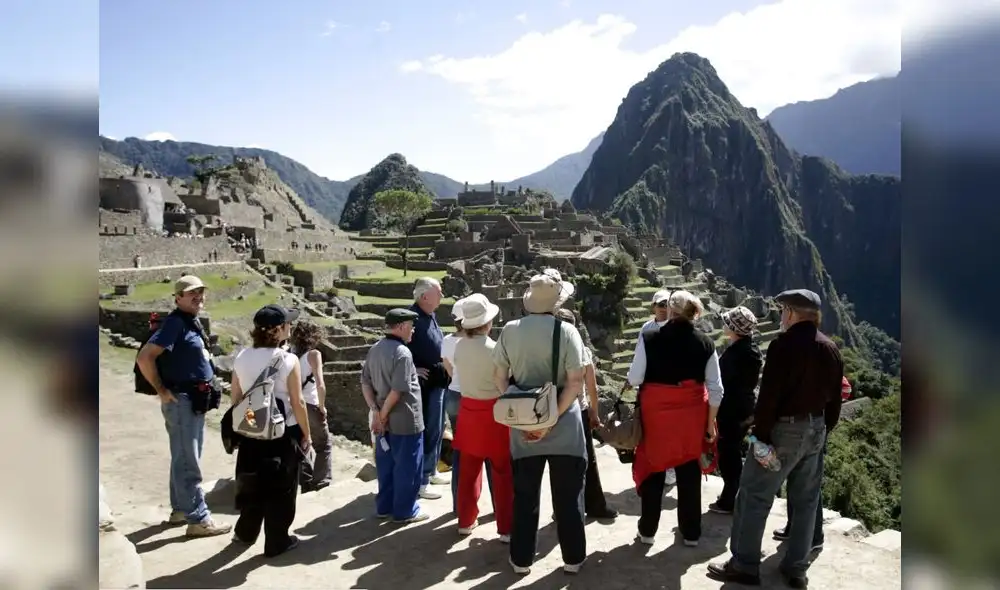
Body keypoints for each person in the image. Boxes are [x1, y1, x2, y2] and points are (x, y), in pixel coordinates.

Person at [708, 289, 844, 589]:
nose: (781, 315)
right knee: (806, 501)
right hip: (816, 428)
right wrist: (823, 430)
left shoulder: (783, 345)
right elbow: (836, 397)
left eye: (783, 310)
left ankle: (744, 565)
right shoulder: (830, 347)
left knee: (754, 495)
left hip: (784, 430)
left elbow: (769, 397)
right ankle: (796, 569)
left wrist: (760, 437)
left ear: (792, 313)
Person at [493, 273, 588, 575]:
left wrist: (519, 410)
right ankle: (573, 559)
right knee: (568, 497)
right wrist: (551, 418)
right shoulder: (567, 331)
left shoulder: (510, 330)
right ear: (556, 303)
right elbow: (575, 382)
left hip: (523, 426)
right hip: (565, 426)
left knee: (525, 497)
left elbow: (499, 377)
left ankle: (521, 560)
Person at [136, 275, 231, 537]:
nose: (198, 297)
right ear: (178, 298)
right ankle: (199, 519)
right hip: (182, 401)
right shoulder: (175, 323)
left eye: (201, 292)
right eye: (191, 293)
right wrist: (161, 390)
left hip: (193, 401)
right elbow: (145, 358)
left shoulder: (190, 322)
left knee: (184, 456)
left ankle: (180, 509)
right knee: (189, 461)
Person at [631, 290, 724, 547]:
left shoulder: (649, 338)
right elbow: (716, 389)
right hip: (691, 418)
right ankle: (691, 533)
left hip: (656, 416)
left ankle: (647, 531)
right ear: (695, 314)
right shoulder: (705, 343)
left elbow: (635, 378)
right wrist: (710, 424)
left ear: (671, 311)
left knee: (655, 467)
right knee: (688, 469)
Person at [230, 304, 310, 556]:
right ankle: (277, 540)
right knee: (282, 488)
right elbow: (297, 402)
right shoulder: (288, 360)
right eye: (288, 324)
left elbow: (236, 397)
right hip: (282, 432)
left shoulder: (242, 356)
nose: (291, 327)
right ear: (279, 329)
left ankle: (245, 532)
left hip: (251, 429)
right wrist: (306, 434)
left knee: (252, 482)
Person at [451, 294, 513, 541]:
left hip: (469, 411)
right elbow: (502, 380)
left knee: (468, 470)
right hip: (493, 413)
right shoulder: (494, 349)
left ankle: (465, 520)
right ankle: (506, 527)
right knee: (502, 471)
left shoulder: (459, 347)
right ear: (487, 323)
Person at [771, 375, 854, 552]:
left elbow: (845, 389)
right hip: (807, 429)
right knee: (796, 481)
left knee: (809, 485)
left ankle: (814, 536)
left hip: (813, 429)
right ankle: (794, 528)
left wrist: (824, 421)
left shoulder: (822, 363)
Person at [361, 308, 430, 524]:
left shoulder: (375, 349)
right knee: (408, 467)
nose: (413, 330)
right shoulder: (402, 353)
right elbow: (398, 390)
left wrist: (375, 411)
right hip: (405, 420)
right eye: (411, 326)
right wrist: (381, 415)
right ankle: (405, 511)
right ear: (401, 327)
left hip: (383, 422)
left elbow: (365, 383)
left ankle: (384, 507)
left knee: (386, 466)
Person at [554, 308, 618, 519]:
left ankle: (560, 509)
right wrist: (594, 412)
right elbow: (592, 386)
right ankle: (595, 505)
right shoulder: (581, 350)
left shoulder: (549, 349)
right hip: (577, 411)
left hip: (554, 410)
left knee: (559, 463)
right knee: (586, 461)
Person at [708, 306, 763, 515]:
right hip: (746, 408)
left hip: (732, 410)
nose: (723, 325)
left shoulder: (735, 354)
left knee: (728, 455)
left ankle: (730, 500)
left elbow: (722, 382)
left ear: (734, 328)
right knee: (733, 451)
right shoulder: (752, 350)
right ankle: (735, 494)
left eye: (727, 322)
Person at [441, 302, 494, 512]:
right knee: (491, 453)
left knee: (462, 452)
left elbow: (449, 370)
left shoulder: (448, 341)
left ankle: (460, 505)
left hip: (455, 395)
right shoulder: (487, 345)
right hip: (479, 396)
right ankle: (498, 505)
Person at [626, 289, 676, 487]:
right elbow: (639, 356)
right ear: (653, 307)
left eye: (667, 305)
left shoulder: (675, 328)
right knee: (650, 429)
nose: (664, 308)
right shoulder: (647, 328)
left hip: (670, 388)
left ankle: (669, 469)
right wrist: (632, 378)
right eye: (660, 305)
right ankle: (653, 467)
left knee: (668, 430)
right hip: (649, 387)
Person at [408, 277, 450, 500]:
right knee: (427, 429)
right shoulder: (411, 317)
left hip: (439, 381)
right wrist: (412, 369)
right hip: (425, 386)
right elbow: (397, 346)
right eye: (438, 292)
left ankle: (431, 470)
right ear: (425, 296)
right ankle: (422, 480)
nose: (442, 295)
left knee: (438, 428)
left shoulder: (430, 315)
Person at [290, 320, 333, 492]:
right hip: (311, 404)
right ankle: (321, 482)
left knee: (303, 444)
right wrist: (322, 407)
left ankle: (306, 481)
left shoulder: (291, 354)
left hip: (294, 405)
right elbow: (320, 385)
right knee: (323, 445)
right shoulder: (313, 355)